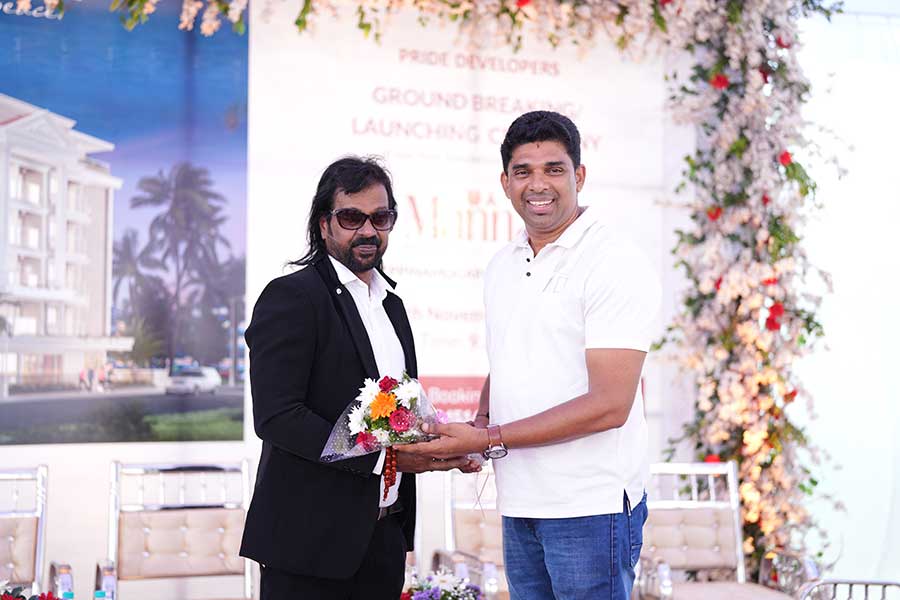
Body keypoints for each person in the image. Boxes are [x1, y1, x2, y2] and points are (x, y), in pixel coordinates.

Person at [400, 111, 662, 599]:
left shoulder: (613, 261)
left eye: (554, 169)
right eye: (523, 171)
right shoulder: (503, 264)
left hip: (591, 505)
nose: (538, 184)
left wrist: (491, 437)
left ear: (579, 175)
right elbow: (507, 359)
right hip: (520, 502)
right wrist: (479, 426)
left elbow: (610, 405)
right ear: (505, 183)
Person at [240, 156, 480, 599]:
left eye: (380, 218)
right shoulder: (292, 297)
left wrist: (439, 448)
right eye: (352, 217)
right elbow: (277, 416)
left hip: (383, 539)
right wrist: (384, 461)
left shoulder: (392, 305)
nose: (368, 231)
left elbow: (396, 415)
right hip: (307, 548)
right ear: (324, 224)